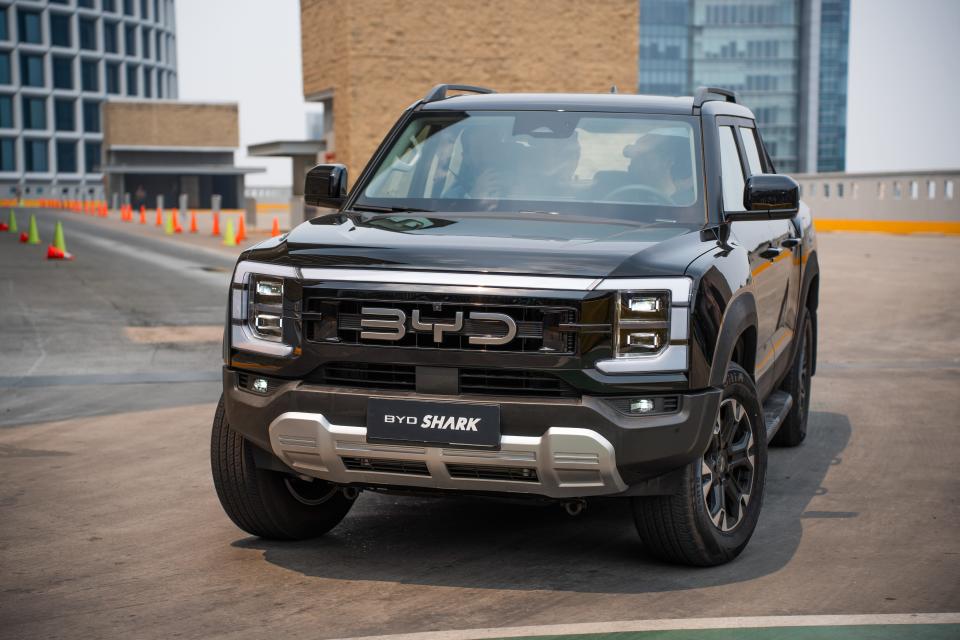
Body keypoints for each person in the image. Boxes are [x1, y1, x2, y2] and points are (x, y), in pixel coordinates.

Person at [622, 133, 696, 205]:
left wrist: (666, 191)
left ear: (667, 161)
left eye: (642, 156)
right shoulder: (621, 188)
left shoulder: (690, 203)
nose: (632, 160)